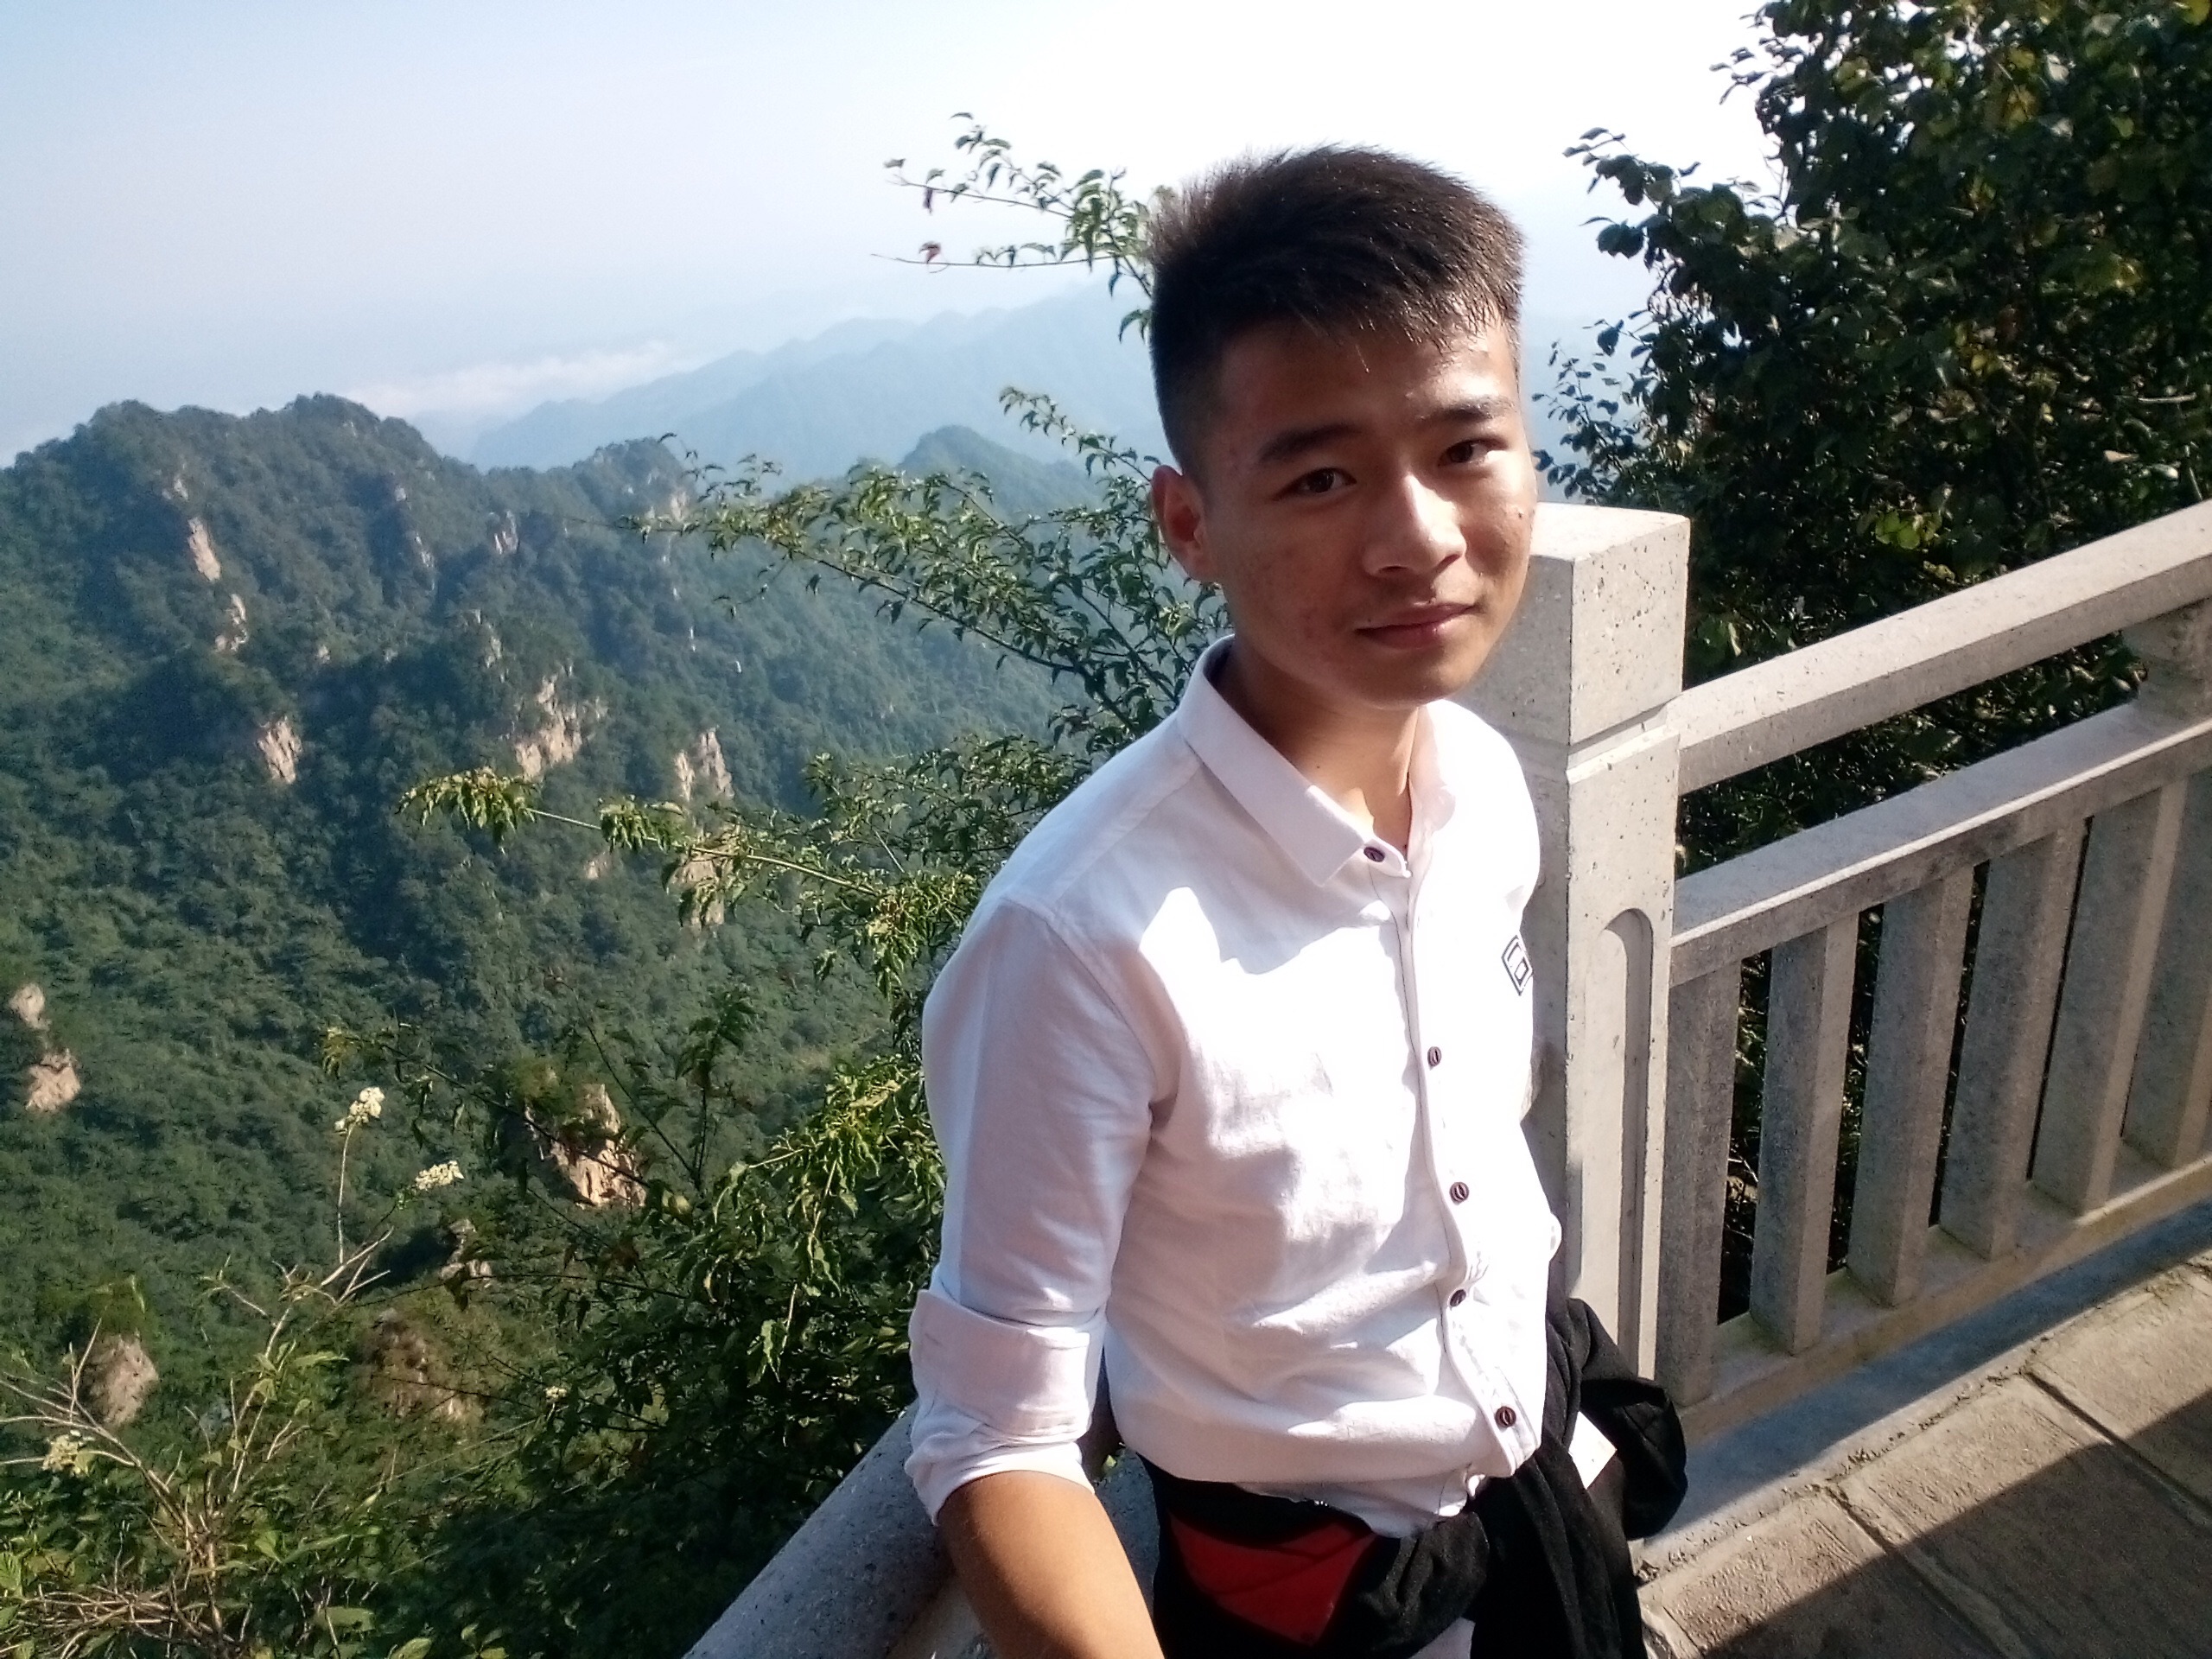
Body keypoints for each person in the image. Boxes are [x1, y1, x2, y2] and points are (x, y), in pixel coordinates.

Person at [905, 147, 1685, 1659]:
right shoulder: (1082, 939)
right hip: (1319, 1604)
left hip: (1541, 1482)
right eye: (1321, 478)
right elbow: (996, 1433)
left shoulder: (1479, 782)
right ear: (1190, 526)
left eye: (1467, 447)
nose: (1419, 538)